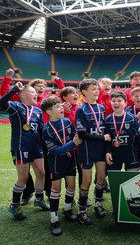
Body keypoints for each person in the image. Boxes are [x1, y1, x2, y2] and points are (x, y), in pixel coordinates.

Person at [0, 82, 50, 220]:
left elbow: (40, 130)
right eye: (32, 92)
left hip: (36, 147)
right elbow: (1, 102)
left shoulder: (38, 111)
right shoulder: (16, 107)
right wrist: (15, 89)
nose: (35, 94)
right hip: (21, 146)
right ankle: (15, 204)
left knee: (41, 172)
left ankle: (39, 199)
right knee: (24, 177)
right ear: (23, 95)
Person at [41, 97, 82, 235]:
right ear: (49, 111)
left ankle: (67, 209)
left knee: (71, 185)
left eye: (60, 106)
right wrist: (73, 144)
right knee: (56, 188)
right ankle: (54, 220)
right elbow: (54, 151)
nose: (61, 108)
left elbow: (74, 135)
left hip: (70, 159)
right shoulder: (46, 129)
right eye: (57, 107)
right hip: (56, 161)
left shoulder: (67, 121)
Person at [76, 78, 111, 225]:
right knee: (87, 180)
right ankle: (82, 211)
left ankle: (98, 203)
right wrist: (102, 137)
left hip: (100, 149)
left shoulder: (102, 108)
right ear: (84, 92)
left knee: (101, 178)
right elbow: (82, 134)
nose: (97, 91)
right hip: (86, 150)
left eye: (97, 89)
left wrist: (104, 141)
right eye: (93, 89)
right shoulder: (81, 109)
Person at [104, 91, 140, 171]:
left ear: (125, 103)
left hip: (130, 154)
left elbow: (138, 135)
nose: (116, 103)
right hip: (114, 155)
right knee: (115, 180)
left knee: (132, 179)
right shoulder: (108, 120)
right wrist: (107, 152)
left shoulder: (131, 118)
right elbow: (107, 139)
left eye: (119, 101)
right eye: (113, 101)